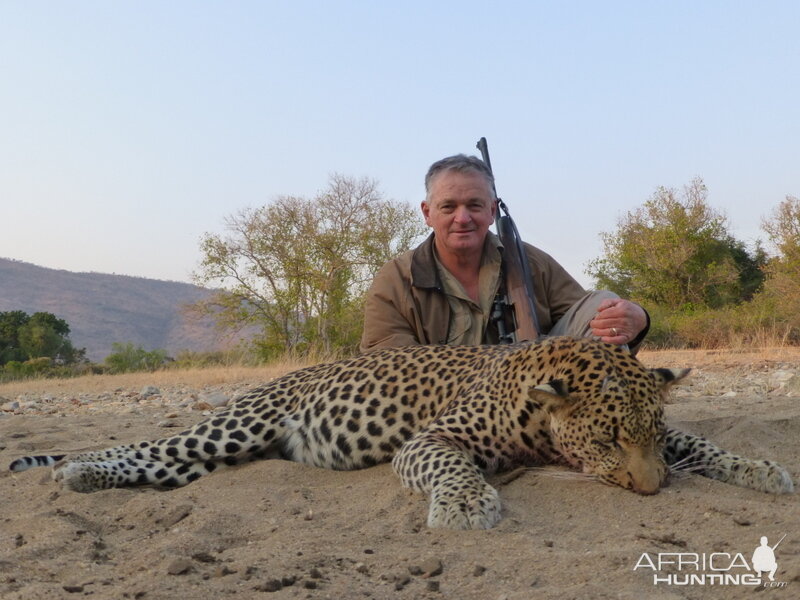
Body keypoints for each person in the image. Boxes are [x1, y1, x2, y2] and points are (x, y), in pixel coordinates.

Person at [360, 154, 649, 353]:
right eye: (448, 207)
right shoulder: (395, 280)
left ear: (492, 210)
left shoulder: (532, 263)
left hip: (536, 402)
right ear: (427, 213)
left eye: (474, 205)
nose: (462, 218)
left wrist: (638, 320)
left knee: (605, 303)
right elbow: (388, 367)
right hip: (441, 412)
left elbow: (589, 318)